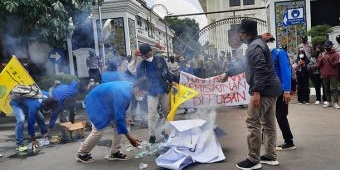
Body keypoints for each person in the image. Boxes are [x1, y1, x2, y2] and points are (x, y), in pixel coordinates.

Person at [219, 19, 281, 170]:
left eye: (240, 33)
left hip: (264, 91)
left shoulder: (254, 47)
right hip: (272, 89)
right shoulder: (256, 43)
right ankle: (270, 155)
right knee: (268, 123)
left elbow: (260, 70)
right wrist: (228, 73)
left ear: (245, 34)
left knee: (253, 122)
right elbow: (247, 66)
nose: (238, 36)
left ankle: (253, 159)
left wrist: (257, 92)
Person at [76, 79, 149, 163]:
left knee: (122, 123)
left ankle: (114, 152)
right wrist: (130, 139)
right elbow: (119, 117)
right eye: (142, 92)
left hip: (106, 103)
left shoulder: (131, 88)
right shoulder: (123, 93)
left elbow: (120, 107)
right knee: (98, 131)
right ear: (137, 88)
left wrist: (124, 117)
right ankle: (82, 154)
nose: (142, 95)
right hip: (96, 102)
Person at [261, 33, 297, 151]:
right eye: (266, 41)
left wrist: (287, 90)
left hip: (281, 90)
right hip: (269, 91)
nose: (268, 44)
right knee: (266, 115)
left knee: (281, 116)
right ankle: (263, 138)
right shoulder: (265, 55)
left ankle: (289, 141)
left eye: (269, 41)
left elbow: (286, 72)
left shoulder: (279, 53)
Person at [137, 43, 174, 143]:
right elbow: (139, 78)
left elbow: (167, 71)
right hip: (151, 92)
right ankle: (152, 135)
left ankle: (166, 132)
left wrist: (171, 82)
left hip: (164, 89)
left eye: (149, 54)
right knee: (152, 114)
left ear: (151, 51)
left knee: (167, 112)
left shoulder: (160, 59)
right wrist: (140, 89)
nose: (148, 56)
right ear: (143, 55)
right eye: (145, 56)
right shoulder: (141, 65)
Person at [127, 50, 148, 127]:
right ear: (135, 57)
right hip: (133, 87)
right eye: (138, 56)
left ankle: (144, 120)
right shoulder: (130, 66)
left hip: (142, 88)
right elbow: (127, 77)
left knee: (143, 104)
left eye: (141, 56)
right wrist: (133, 86)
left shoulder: (145, 66)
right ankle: (132, 119)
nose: (140, 57)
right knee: (133, 104)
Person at [317, 40, 340, 109]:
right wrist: (321, 58)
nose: (327, 48)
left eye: (328, 46)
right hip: (324, 74)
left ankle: (335, 103)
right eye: (326, 47)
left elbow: (336, 65)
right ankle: (328, 102)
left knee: (334, 89)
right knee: (326, 89)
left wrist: (329, 59)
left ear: (331, 46)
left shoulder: (336, 54)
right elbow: (318, 65)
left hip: (333, 74)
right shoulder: (322, 54)